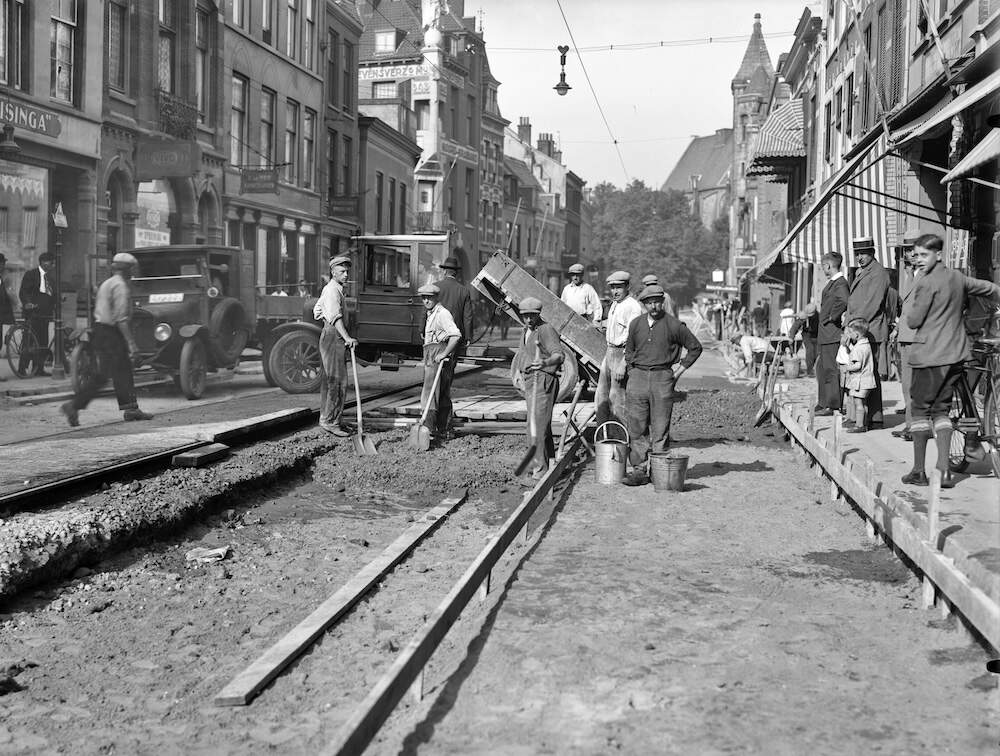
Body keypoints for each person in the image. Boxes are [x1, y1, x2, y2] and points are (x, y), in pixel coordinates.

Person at [902, 233, 1000, 488]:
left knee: (922, 410)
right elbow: (989, 288)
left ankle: (918, 471)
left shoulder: (926, 282)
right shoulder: (957, 277)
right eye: (916, 255)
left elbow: (913, 321)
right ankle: (944, 471)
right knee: (942, 411)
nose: (918, 260)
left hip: (929, 357)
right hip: (956, 354)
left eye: (924, 255)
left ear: (938, 255)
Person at [622, 284, 702, 486]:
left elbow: (695, 348)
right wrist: (632, 371)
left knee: (660, 427)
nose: (654, 306)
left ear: (663, 302)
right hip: (637, 378)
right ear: (644, 304)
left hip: (662, 378)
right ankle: (639, 470)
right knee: (637, 427)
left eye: (657, 301)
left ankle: (659, 470)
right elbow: (629, 351)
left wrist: (679, 370)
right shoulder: (636, 324)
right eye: (649, 302)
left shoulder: (674, 325)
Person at [60, 254, 153, 426]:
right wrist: (133, 345)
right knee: (103, 374)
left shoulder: (107, 283)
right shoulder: (121, 287)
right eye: (133, 268)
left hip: (100, 329)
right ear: (128, 269)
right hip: (111, 332)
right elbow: (121, 320)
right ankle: (74, 405)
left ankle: (131, 408)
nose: (134, 272)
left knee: (123, 369)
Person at [517, 297, 564, 482]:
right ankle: (549, 461)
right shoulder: (525, 331)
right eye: (525, 316)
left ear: (538, 314)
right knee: (538, 424)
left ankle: (539, 472)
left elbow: (558, 355)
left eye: (532, 316)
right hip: (530, 381)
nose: (529, 320)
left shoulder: (545, 330)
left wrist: (544, 362)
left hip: (543, 379)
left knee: (536, 426)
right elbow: (523, 354)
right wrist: (518, 373)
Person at [845, 236, 890, 426]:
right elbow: (854, 301)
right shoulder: (862, 272)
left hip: (870, 329)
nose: (860, 257)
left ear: (872, 252)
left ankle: (874, 418)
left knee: (871, 376)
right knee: (861, 375)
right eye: (857, 254)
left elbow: (872, 303)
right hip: (858, 329)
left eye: (863, 253)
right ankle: (861, 417)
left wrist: (854, 326)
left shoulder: (878, 273)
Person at [313, 256, 357, 436]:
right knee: (336, 380)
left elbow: (317, 310)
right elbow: (335, 317)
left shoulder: (335, 289)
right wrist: (347, 337)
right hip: (333, 336)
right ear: (333, 272)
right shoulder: (332, 290)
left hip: (332, 336)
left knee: (333, 379)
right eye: (342, 272)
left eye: (347, 271)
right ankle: (330, 421)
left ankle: (333, 418)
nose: (346, 275)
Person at [433, 255, 474, 438]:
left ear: (443, 271)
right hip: (452, 341)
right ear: (456, 273)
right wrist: (467, 338)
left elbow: (425, 311)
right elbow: (468, 317)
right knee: (446, 380)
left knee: (432, 380)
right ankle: (443, 423)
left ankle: (431, 421)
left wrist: (421, 330)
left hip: (434, 340)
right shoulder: (463, 291)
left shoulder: (436, 288)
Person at [595, 270, 643, 425]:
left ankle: (620, 440)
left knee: (617, 400)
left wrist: (623, 364)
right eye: (612, 287)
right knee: (601, 397)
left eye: (618, 287)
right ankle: (603, 434)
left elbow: (634, 338)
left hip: (621, 354)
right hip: (609, 352)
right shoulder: (615, 304)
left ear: (627, 286)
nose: (614, 291)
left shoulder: (632, 306)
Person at [418, 283, 461, 441]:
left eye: (429, 297)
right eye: (424, 298)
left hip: (437, 355)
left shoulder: (442, 314)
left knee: (430, 393)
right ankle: (444, 429)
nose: (426, 301)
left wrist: (443, 353)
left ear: (437, 297)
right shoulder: (432, 313)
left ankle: (428, 428)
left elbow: (456, 335)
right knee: (440, 394)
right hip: (433, 354)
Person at [891, 230, 921, 440]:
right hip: (905, 337)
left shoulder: (927, 275)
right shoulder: (910, 275)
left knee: (915, 386)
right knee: (906, 385)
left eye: (912, 249)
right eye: (907, 250)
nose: (909, 254)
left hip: (918, 339)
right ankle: (911, 424)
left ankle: (917, 427)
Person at [815, 252, 849, 416]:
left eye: (823, 266)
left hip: (831, 333)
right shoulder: (834, 283)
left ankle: (832, 403)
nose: (823, 269)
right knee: (822, 369)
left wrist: (831, 317)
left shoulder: (840, 283)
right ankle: (823, 401)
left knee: (830, 370)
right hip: (826, 333)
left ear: (828, 265)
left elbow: (843, 301)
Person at [18, 252, 56, 377]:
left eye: (51, 263)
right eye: (49, 262)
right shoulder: (31, 274)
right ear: (43, 262)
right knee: (29, 342)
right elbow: (24, 291)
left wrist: (57, 302)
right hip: (33, 313)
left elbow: (51, 294)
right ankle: (22, 368)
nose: (50, 265)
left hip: (44, 314)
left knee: (43, 342)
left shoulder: (50, 278)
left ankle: (39, 368)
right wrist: (28, 303)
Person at [842, 319, 876, 433]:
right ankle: (864, 423)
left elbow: (857, 365)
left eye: (850, 333)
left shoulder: (858, 348)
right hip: (868, 380)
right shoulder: (866, 345)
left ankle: (859, 425)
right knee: (863, 403)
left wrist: (847, 368)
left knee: (858, 403)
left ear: (856, 334)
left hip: (860, 381)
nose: (849, 335)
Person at [787, 302, 819, 377]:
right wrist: (791, 337)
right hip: (807, 335)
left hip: (817, 335)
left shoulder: (818, 317)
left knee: (817, 353)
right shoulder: (803, 317)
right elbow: (795, 327)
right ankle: (810, 371)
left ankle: (817, 370)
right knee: (810, 351)